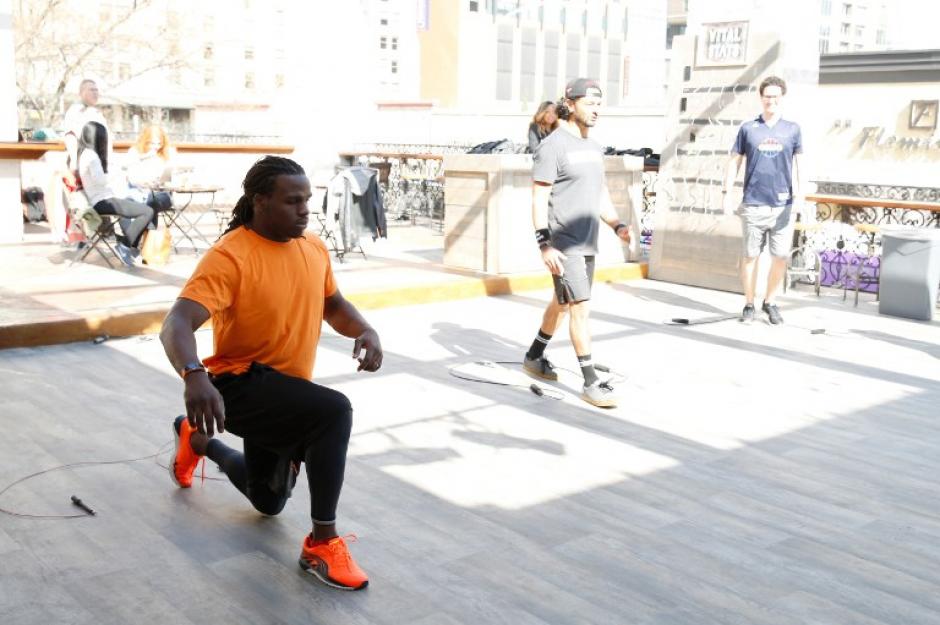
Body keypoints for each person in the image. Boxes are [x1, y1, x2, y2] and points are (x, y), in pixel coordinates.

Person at [159, 156, 383, 591]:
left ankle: (197, 440)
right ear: (260, 201)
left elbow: (333, 304)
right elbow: (176, 323)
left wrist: (365, 330)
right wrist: (193, 374)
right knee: (332, 412)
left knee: (268, 501)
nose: (304, 210)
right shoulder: (230, 256)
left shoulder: (313, 248)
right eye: (292, 201)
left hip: (285, 391)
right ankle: (322, 543)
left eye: (307, 200)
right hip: (236, 385)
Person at [522, 78, 631, 408]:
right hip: (563, 244)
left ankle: (534, 356)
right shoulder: (553, 146)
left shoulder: (594, 147)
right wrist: (544, 244)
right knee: (580, 309)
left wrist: (617, 225)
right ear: (569, 105)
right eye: (589, 103)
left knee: (564, 303)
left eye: (599, 103)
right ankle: (591, 382)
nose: (596, 109)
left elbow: (600, 195)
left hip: (588, 241)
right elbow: (538, 199)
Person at [722, 75, 810, 325]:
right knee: (750, 256)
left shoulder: (792, 129)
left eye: (775, 96)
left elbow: (800, 164)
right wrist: (726, 194)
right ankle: (749, 303)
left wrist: (801, 196)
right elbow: (734, 162)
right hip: (753, 203)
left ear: (782, 97)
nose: (771, 100)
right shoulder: (748, 128)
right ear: (761, 98)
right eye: (767, 96)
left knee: (780, 256)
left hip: (782, 206)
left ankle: (770, 302)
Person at [76, 121, 153, 266]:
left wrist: (139, 159)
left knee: (137, 207)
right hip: (103, 202)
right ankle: (125, 246)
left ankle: (129, 247)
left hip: (102, 200)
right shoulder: (91, 156)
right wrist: (118, 171)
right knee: (147, 211)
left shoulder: (85, 154)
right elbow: (100, 181)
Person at [63, 79, 108, 173]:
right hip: (84, 164)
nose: (95, 93)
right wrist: (75, 162)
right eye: (91, 90)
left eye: (96, 90)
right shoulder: (75, 112)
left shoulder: (97, 114)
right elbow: (70, 136)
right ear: (81, 93)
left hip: (100, 162)